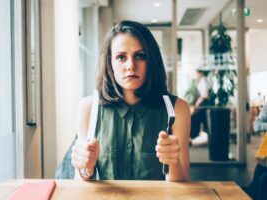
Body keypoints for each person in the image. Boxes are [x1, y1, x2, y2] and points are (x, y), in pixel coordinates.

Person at [71, 20, 190, 181]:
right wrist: (85, 167)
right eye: (121, 57)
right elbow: (81, 182)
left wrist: (172, 162)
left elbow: (183, 184)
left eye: (140, 56)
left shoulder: (177, 109)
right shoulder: (88, 109)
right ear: (109, 63)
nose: (131, 66)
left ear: (151, 60)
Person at [190, 69, 209, 145]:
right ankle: (193, 136)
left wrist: (196, 105)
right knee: (204, 122)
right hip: (202, 104)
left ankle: (193, 136)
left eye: (197, 73)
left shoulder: (203, 81)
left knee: (195, 119)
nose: (196, 75)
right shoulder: (202, 81)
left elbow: (203, 96)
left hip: (202, 104)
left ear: (201, 73)